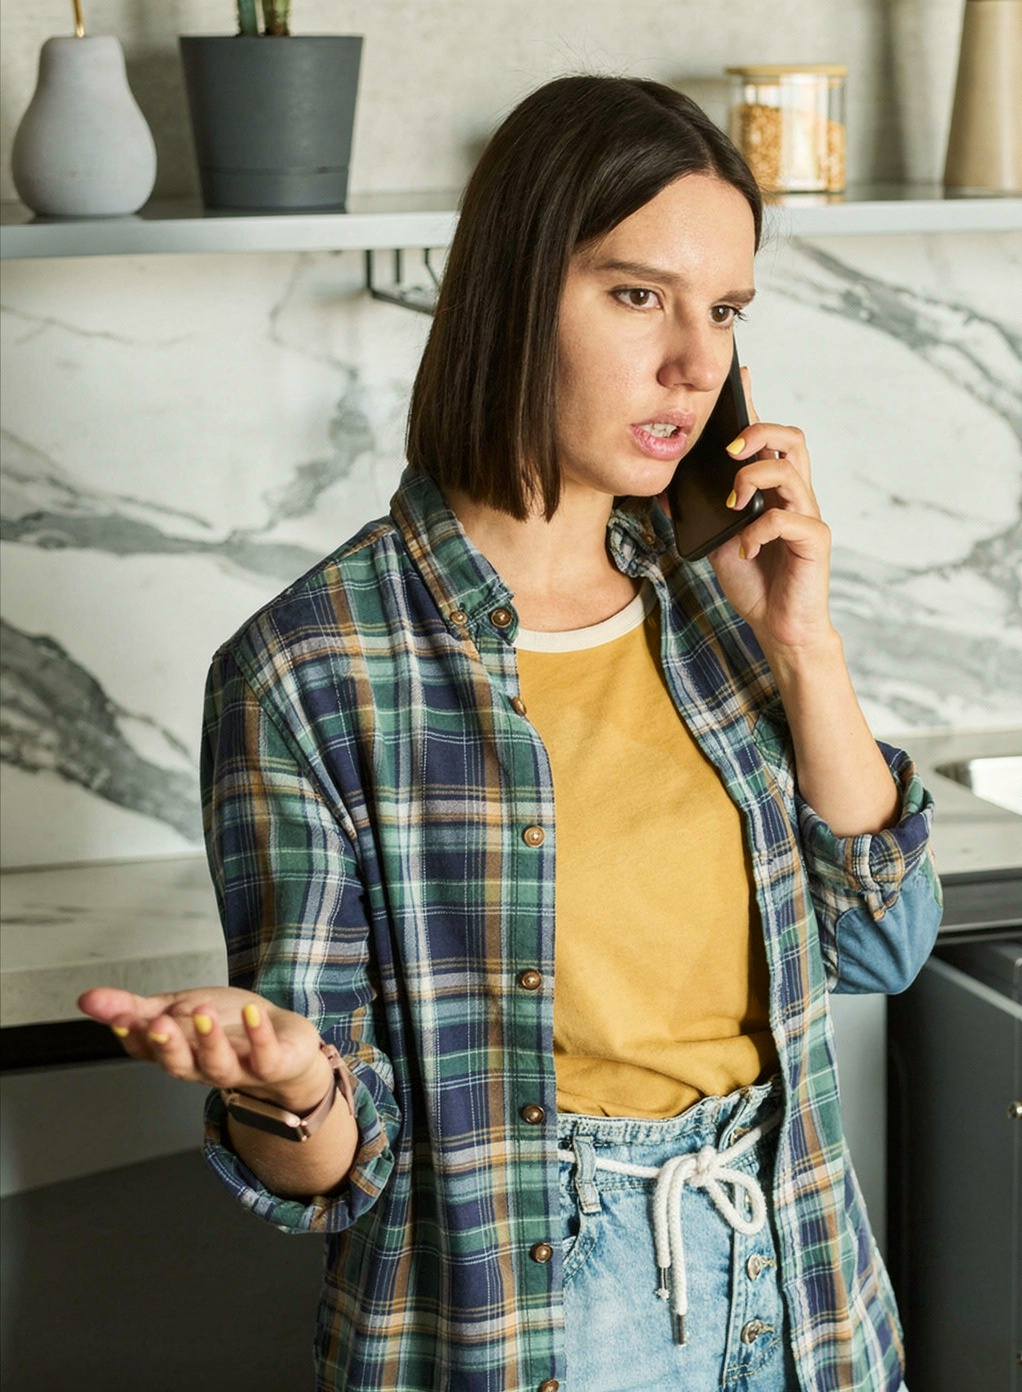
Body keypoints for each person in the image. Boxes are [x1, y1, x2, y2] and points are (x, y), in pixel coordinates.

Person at [75, 75, 940, 1392]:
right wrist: (292, 1081)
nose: (694, 365)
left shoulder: (722, 612)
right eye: (639, 294)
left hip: (801, 1300)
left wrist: (806, 646)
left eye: (725, 312)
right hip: (530, 1332)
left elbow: (888, 942)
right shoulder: (310, 670)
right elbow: (326, 1171)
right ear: (518, 289)